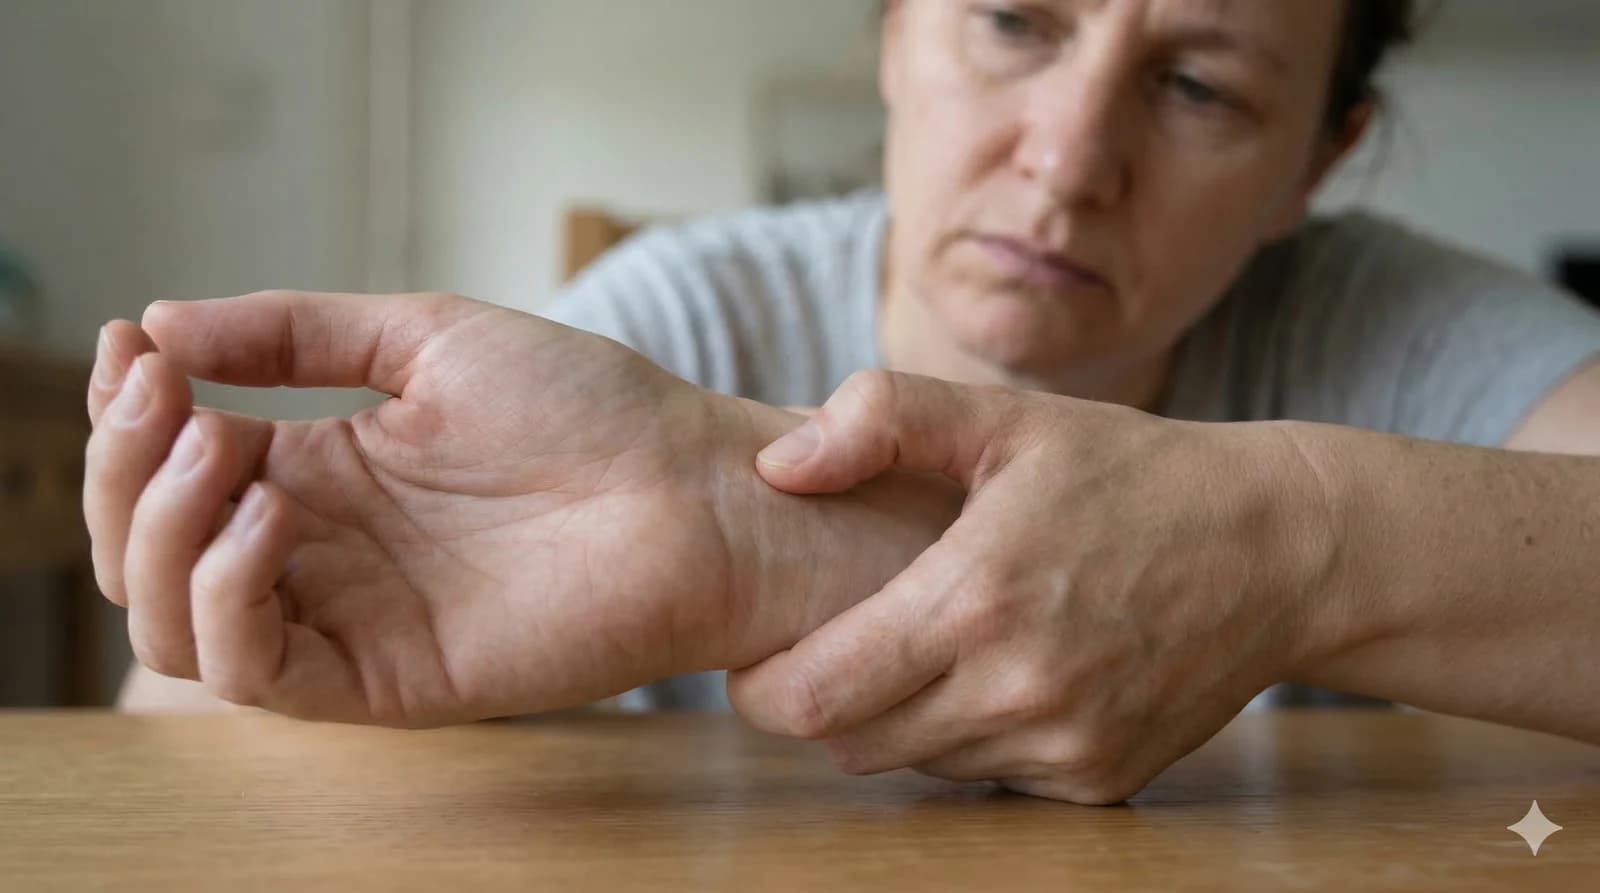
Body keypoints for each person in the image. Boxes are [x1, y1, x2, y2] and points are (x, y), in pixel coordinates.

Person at [98, 0, 1600, 802]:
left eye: (1200, 87)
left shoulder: (1397, 331)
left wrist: (1297, 540)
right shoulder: (677, 328)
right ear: (891, 33)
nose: (1070, 159)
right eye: (1016, 19)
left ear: (1316, 167)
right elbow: (173, 736)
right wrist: (253, 624)